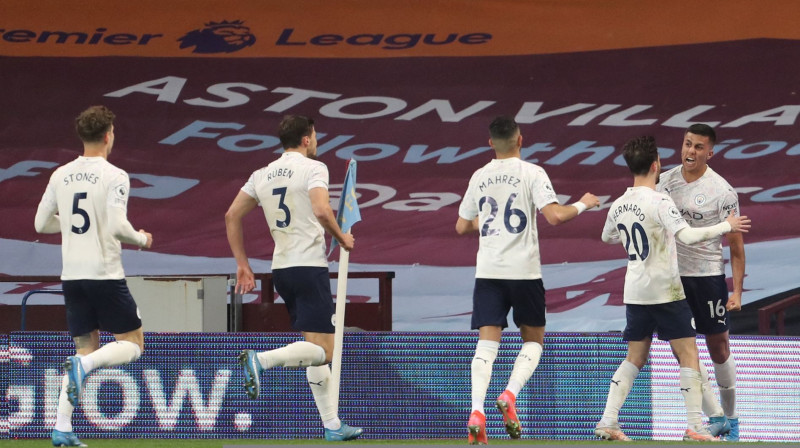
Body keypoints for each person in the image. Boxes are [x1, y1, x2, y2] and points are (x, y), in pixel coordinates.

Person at [455, 116, 600, 444]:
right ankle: (509, 394)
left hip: (489, 272)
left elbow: (461, 226)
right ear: (521, 140)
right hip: (524, 273)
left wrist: (490, 224)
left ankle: (476, 410)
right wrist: (584, 203)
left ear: (490, 143)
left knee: (486, 344)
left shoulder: (479, 176)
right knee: (533, 341)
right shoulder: (532, 173)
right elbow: (555, 216)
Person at [595, 136, 749, 442]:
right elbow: (688, 237)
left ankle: (608, 421)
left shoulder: (620, 203)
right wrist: (725, 226)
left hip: (635, 291)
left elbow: (606, 237)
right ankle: (697, 426)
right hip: (666, 291)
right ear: (656, 165)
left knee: (634, 357)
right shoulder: (660, 201)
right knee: (689, 353)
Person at [225, 115, 361, 442]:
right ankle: (262, 360)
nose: (316, 141)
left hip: (282, 269)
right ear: (306, 140)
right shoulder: (314, 168)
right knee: (325, 351)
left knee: (312, 347)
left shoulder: (261, 174)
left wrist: (242, 264)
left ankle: (331, 426)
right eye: (314, 136)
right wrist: (342, 237)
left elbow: (231, 215)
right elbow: (320, 209)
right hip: (309, 266)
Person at [34, 106, 153, 447]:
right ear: (107, 135)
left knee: (86, 348)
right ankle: (82, 370)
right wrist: (142, 239)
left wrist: (70, 225)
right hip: (104, 274)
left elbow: (41, 224)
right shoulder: (115, 175)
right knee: (133, 344)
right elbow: (117, 226)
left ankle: (62, 428)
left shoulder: (60, 175)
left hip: (72, 276)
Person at [658, 123, 744, 441]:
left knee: (718, 347)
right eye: (686, 144)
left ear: (710, 152)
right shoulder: (663, 183)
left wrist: (736, 290)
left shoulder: (723, 191)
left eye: (697, 147)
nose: (690, 151)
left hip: (708, 277)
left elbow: (736, 246)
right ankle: (715, 417)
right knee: (683, 352)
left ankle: (732, 421)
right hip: (673, 279)